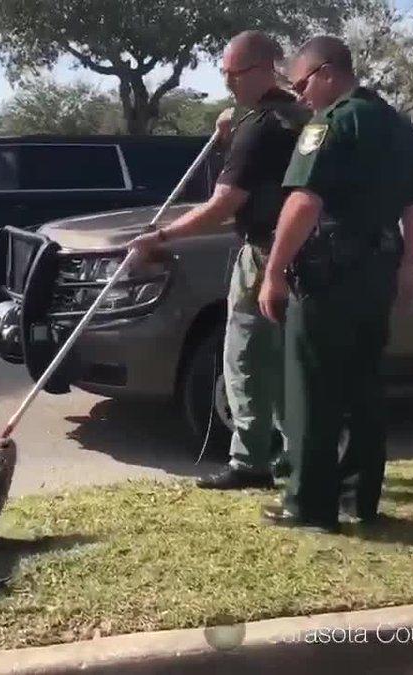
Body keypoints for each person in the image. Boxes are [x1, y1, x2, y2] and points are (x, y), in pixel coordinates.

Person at [257, 36, 413, 533]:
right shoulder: (399, 127)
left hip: (329, 275)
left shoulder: (330, 123)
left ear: (328, 72)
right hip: (379, 272)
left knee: (312, 389)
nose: (302, 94)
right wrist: (408, 268)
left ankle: (309, 506)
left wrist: (272, 273)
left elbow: (304, 201)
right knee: (365, 386)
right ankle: (361, 498)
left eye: (303, 83)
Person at [127, 30, 310, 490]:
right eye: (224, 72)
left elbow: (224, 203)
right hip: (305, 252)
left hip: (268, 250)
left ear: (267, 68)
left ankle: (254, 461)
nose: (228, 82)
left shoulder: (262, 127)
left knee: (245, 356)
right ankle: (297, 461)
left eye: (235, 73)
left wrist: (161, 236)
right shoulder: (302, 116)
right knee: (290, 362)